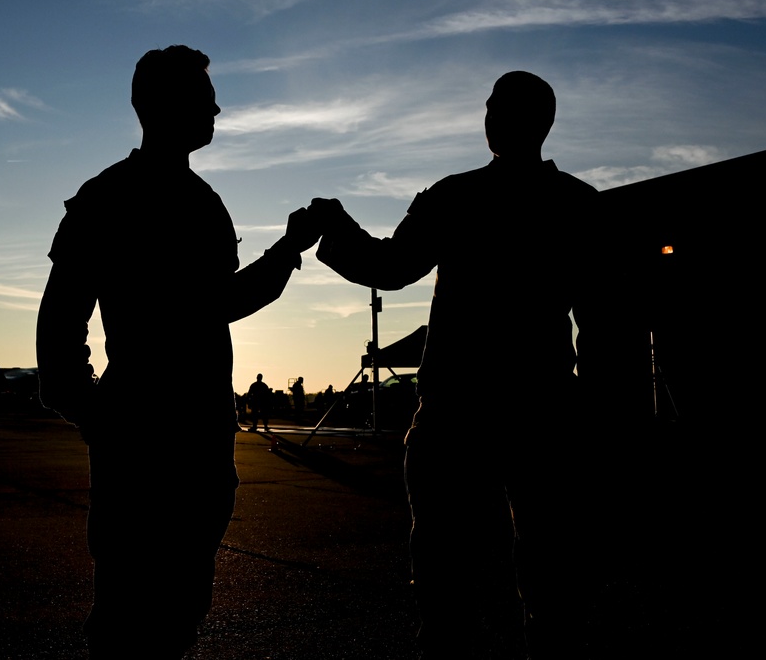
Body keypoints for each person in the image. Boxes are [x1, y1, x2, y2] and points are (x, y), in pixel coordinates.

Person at [36, 45, 319, 658]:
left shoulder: (187, 200)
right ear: (163, 104)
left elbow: (219, 301)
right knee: (132, 617)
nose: (216, 106)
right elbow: (61, 329)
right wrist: (97, 416)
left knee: (176, 613)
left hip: (190, 441)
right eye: (202, 95)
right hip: (151, 441)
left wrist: (288, 248)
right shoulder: (114, 199)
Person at [312, 71, 598, 658]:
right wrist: (597, 414)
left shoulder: (457, 196)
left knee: (448, 573)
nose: (490, 116)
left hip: (458, 413)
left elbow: (390, 267)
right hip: (543, 411)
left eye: (497, 107)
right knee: (550, 571)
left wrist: (336, 229)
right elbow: (606, 320)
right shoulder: (578, 205)